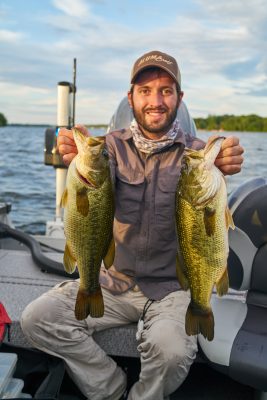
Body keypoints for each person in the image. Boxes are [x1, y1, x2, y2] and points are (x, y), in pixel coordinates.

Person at [21, 50, 244, 400]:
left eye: (166, 91)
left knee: (171, 353)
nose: (156, 100)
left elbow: (221, 157)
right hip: (112, 281)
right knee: (36, 319)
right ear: (131, 97)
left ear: (179, 98)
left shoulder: (197, 157)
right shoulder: (108, 148)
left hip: (171, 288)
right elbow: (93, 178)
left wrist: (227, 156)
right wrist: (72, 147)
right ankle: (111, 389)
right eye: (145, 90)